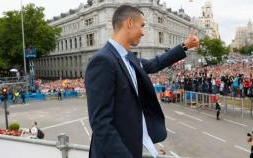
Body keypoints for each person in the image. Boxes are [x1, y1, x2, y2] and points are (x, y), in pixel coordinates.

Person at [85, 4, 199, 158]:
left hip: (132, 148)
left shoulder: (129, 58)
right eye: (142, 25)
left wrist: (185, 46)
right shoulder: (102, 61)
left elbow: (155, 64)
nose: (144, 32)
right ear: (129, 23)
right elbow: (101, 124)